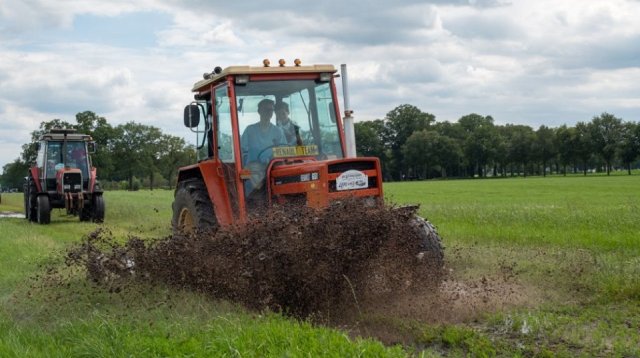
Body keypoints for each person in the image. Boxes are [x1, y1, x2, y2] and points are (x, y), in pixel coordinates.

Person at [241, 99, 286, 164]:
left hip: (272, 168)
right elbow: (242, 150)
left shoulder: (278, 131)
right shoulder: (250, 130)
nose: (268, 112)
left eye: (271, 110)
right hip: (253, 169)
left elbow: (282, 152)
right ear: (259, 111)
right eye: (265, 109)